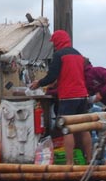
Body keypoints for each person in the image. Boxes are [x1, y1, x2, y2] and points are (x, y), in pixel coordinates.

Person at [31, 29, 92, 164]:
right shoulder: (78, 54)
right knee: (84, 128)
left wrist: (38, 83)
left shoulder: (59, 55)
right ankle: (89, 160)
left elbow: (51, 76)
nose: (54, 46)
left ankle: (69, 163)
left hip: (68, 96)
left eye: (54, 43)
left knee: (67, 129)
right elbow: (73, 74)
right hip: (82, 95)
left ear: (58, 42)